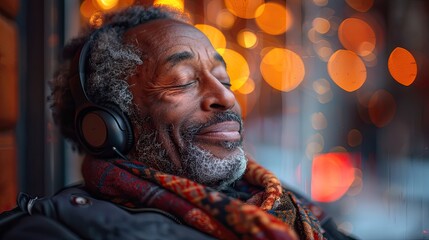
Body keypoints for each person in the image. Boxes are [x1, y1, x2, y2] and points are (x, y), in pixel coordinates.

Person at [0, 5, 355, 240]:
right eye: (183, 79)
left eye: (224, 79)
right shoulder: (52, 232)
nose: (226, 97)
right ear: (110, 123)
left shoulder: (287, 202)